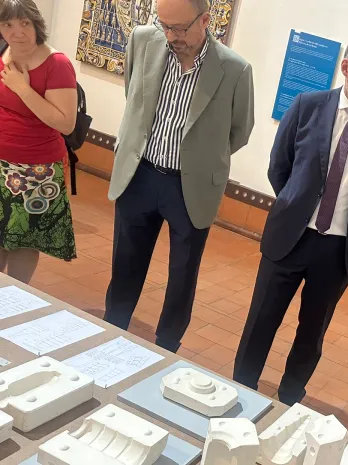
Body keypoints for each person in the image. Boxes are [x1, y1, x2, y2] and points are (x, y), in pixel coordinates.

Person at [233, 35, 348, 405]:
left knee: (312, 333)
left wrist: (345, 222)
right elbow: (279, 167)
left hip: (338, 250)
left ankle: (289, 399)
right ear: (346, 68)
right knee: (261, 320)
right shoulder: (307, 106)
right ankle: (241, 389)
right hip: (290, 237)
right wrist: (297, 206)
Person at [103, 0, 254, 352]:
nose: (171, 36)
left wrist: (199, 160)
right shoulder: (143, 40)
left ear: (205, 20)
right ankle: (112, 331)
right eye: (165, 25)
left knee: (182, 275)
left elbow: (239, 131)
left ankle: (167, 346)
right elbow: (133, 94)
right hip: (139, 175)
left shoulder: (234, 69)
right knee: (125, 263)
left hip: (190, 186)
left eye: (180, 28)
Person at [0, 0, 78, 284]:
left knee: (23, 242)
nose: (17, 32)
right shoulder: (4, 51)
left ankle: (14, 301)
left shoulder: (57, 64)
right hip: (1, 164)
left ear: (36, 23)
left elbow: (66, 123)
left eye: (24, 23)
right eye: (8, 24)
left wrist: (23, 89)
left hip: (35, 170)